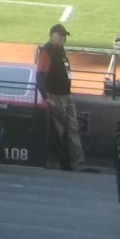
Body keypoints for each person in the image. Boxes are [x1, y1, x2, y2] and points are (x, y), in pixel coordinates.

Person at [34, 23, 86, 171]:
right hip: (56, 96)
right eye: (60, 35)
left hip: (66, 95)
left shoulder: (59, 49)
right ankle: (64, 163)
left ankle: (78, 163)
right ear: (51, 35)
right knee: (59, 131)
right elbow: (40, 76)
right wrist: (46, 96)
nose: (63, 37)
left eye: (64, 35)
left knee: (72, 129)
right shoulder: (47, 51)